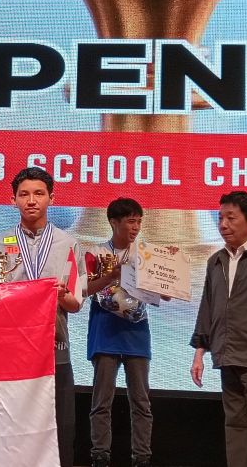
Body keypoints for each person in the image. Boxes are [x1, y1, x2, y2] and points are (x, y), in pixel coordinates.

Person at [0, 166, 85, 467]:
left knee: (60, 430)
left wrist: (60, 295)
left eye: (39, 194)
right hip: (11, 353)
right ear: (13, 199)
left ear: (51, 198)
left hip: (54, 351)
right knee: (11, 431)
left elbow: (76, 303)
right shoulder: (0, 243)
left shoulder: (69, 243)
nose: (31, 200)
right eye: (24, 194)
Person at [190, 191, 247, 467]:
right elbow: (207, 306)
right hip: (227, 355)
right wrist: (199, 352)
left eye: (230, 218)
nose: (223, 224)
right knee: (235, 425)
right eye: (220, 218)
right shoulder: (216, 260)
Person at [86, 198, 154, 467]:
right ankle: (100, 455)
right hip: (105, 331)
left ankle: (142, 457)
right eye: (130, 221)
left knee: (141, 402)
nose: (136, 227)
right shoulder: (96, 253)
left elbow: (163, 295)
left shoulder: (148, 256)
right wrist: (110, 276)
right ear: (113, 222)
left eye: (139, 221)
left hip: (137, 333)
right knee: (101, 401)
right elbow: (84, 290)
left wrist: (168, 284)